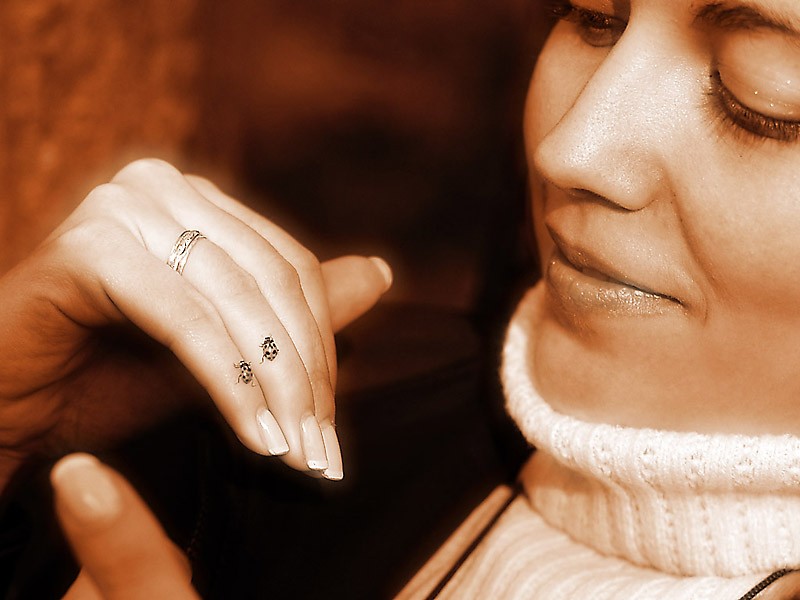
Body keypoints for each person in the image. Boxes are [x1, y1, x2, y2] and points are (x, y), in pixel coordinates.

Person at [11, 0, 800, 597]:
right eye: (592, 17)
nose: (571, 150)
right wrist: (13, 438)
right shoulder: (297, 444)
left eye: (759, 95)